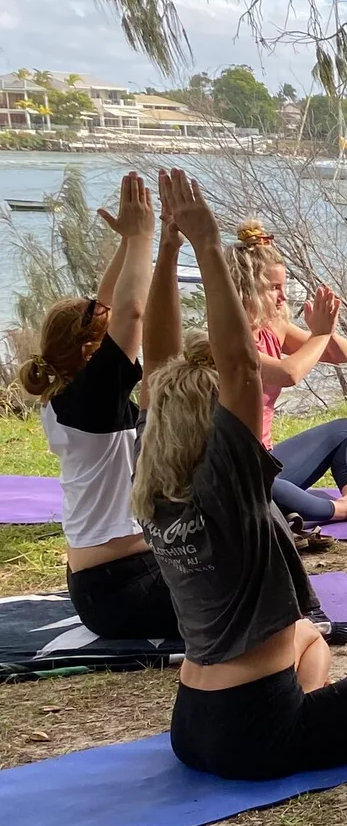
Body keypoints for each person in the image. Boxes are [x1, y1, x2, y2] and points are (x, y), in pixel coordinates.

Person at [134, 169, 347, 782]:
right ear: (218, 423)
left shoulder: (156, 485)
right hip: (252, 733)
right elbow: (238, 366)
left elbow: (157, 363)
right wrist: (206, 243)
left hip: (193, 723)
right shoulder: (227, 488)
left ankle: (305, 718)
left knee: (310, 638)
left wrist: (166, 249)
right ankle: (301, 734)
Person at [15, 171, 178, 639]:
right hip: (120, 588)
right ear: (91, 352)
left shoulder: (70, 395)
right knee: (253, 602)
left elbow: (107, 306)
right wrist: (146, 236)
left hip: (112, 577)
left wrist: (129, 244)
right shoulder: (89, 404)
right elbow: (130, 314)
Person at [233, 220, 347, 527]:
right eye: (274, 288)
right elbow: (288, 373)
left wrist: (324, 332)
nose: (283, 297)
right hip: (236, 472)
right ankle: (342, 511)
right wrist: (319, 334)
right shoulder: (227, 341)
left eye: (283, 287)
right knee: (264, 487)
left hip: (267, 460)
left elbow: (343, 355)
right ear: (248, 290)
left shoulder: (275, 327)